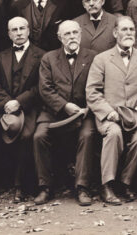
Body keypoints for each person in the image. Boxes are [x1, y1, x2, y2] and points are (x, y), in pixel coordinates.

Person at [0, 16, 44, 202]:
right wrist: (6, 102)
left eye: (22, 28)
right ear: (9, 34)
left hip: (27, 108)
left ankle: (20, 186)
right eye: (14, 30)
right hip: (0, 108)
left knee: (27, 135)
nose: (19, 33)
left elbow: (41, 87)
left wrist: (19, 102)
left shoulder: (42, 55)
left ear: (28, 31)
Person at [85, 15, 137, 204]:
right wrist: (107, 112)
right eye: (124, 29)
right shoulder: (102, 59)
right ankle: (107, 185)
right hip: (110, 115)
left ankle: (126, 182)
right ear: (115, 33)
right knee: (114, 134)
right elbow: (92, 91)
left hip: (136, 115)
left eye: (131, 29)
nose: (128, 33)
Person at [32, 20, 99, 205]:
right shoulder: (49, 58)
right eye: (67, 34)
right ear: (60, 37)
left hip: (84, 111)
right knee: (39, 136)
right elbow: (45, 89)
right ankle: (45, 187)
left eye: (75, 33)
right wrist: (64, 106)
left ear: (81, 34)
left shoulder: (93, 57)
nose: (72, 37)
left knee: (87, 135)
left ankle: (82, 187)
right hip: (54, 112)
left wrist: (88, 107)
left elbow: (98, 86)